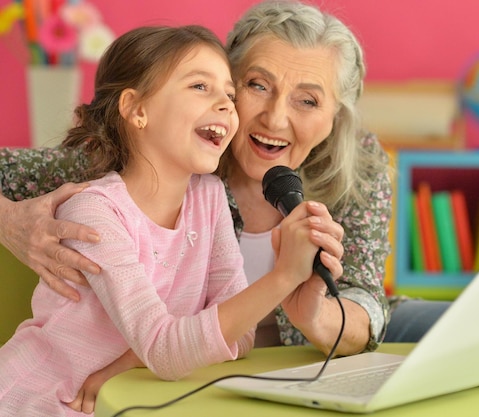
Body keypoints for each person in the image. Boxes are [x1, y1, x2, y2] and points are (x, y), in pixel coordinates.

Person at [1, 0, 449, 387]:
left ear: (336, 116)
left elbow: (364, 299)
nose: (275, 119)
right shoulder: (152, 156)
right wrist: (9, 221)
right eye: (256, 86)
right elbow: (162, 343)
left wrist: (315, 314)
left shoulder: (359, 161)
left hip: (314, 350)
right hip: (189, 366)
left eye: (307, 100)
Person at [0, 23, 344, 417]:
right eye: (200, 86)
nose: (226, 105)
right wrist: (284, 276)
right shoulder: (94, 212)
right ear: (137, 108)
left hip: (126, 397)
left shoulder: (209, 197)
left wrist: (126, 363)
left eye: (229, 94)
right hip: (41, 397)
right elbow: (170, 349)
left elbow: (240, 333)